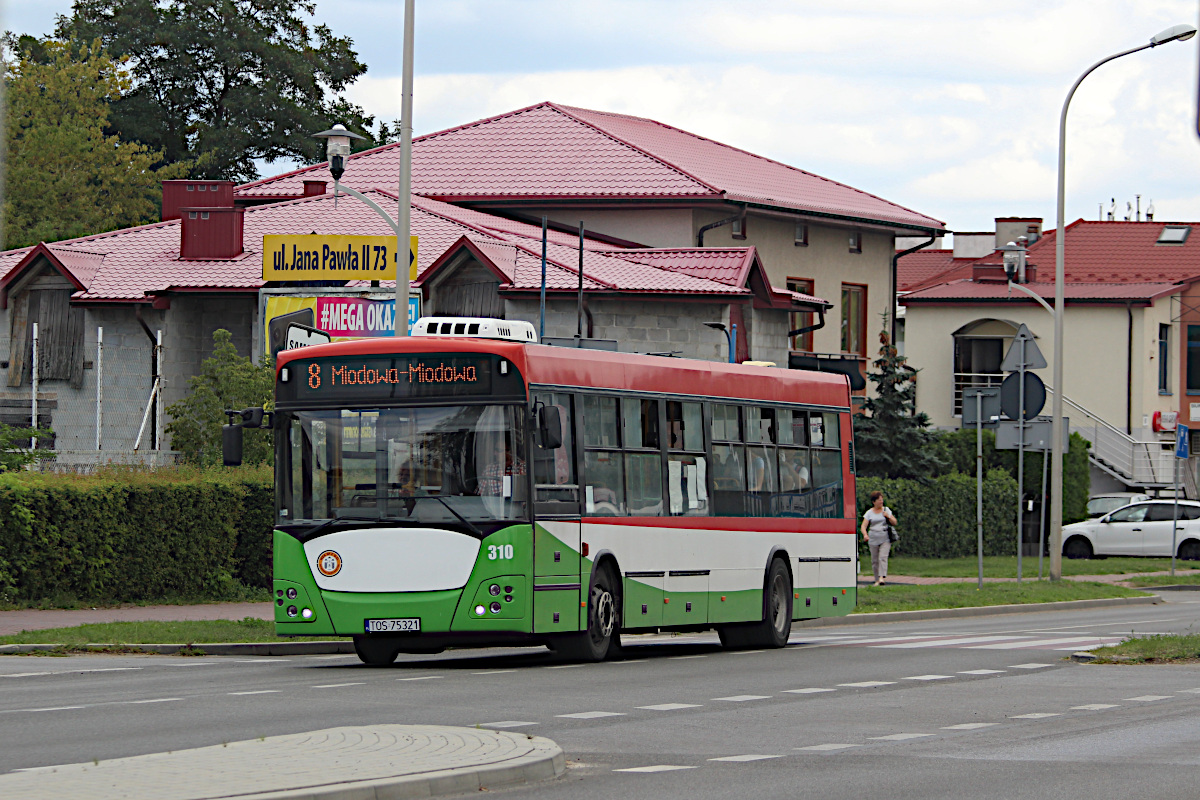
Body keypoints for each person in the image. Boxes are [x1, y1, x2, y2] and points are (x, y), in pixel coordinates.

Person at [860, 490, 897, 587]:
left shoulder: (886, 510)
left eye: (882, 500)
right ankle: (877, 579)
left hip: (885, 537)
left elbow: (894, 522)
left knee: (882, 557)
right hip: (873, 537)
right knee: (875, 560)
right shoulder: (869, 513)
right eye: (879, 500)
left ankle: (882, 577)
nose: (881, 502)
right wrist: (865, 535)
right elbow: (864, 526)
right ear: (874, 502)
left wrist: (888, 516)